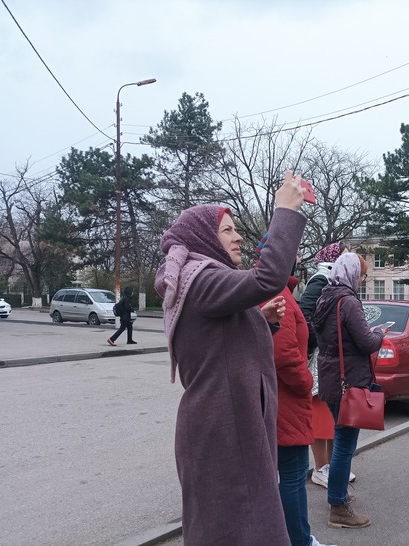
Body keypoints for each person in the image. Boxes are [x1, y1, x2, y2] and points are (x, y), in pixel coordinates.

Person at [153, 172, 306, 545]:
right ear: (203, 238)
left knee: (242, 529)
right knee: (236, 531)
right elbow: (268, 277)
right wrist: (284, 211)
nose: (238, 237)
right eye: (228, 230)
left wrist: (261, 322)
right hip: (223, 434)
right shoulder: (200, 279)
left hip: (230, 430)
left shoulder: (204, 281)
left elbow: (222, 347)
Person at [258, 239, 335, 546]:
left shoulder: (274, 290)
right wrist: (305, 381)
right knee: (293, 475)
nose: (300, 260)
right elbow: (283, 352)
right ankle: (299, 541)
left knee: (283, 474)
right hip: (285, 399)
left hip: (277, 397)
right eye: (295, 255)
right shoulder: (279, 294)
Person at [311, 252, 387, 529]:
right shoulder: (348, 301)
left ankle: (337, 495)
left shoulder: (324, 297)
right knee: (344, 445)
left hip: (331, 378)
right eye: (362, 275)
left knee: (340, 438)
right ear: (353, 274)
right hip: (350, 380)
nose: (362, 280)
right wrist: (380, 334)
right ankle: (338, 507)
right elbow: (367, 343)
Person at [299, 242, 354, 489]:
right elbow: (303, 315)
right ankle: (320, 468)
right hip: (320, 360)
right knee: (322, 415)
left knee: (333, 416)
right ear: (333, 258)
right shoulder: (321, 280)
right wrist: (322, 338)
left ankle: (333, 465)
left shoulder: (332, 281)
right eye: (343, 254)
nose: (347, 259)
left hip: (329, 360)